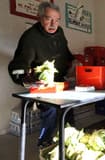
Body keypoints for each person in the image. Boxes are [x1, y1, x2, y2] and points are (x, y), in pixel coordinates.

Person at [8, 2, 74, 147]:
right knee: (50, 109)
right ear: (39, 17)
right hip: (41, 86)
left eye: (57, 20)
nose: (53, 24)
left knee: (69, 106)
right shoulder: (30, 37)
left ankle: (69, 139)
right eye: (48, 19)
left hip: (60, 83)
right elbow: (18, 66)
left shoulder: (60, 32)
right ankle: (44, 142)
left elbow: (65, 54)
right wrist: (28, 80)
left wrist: (74, 63)